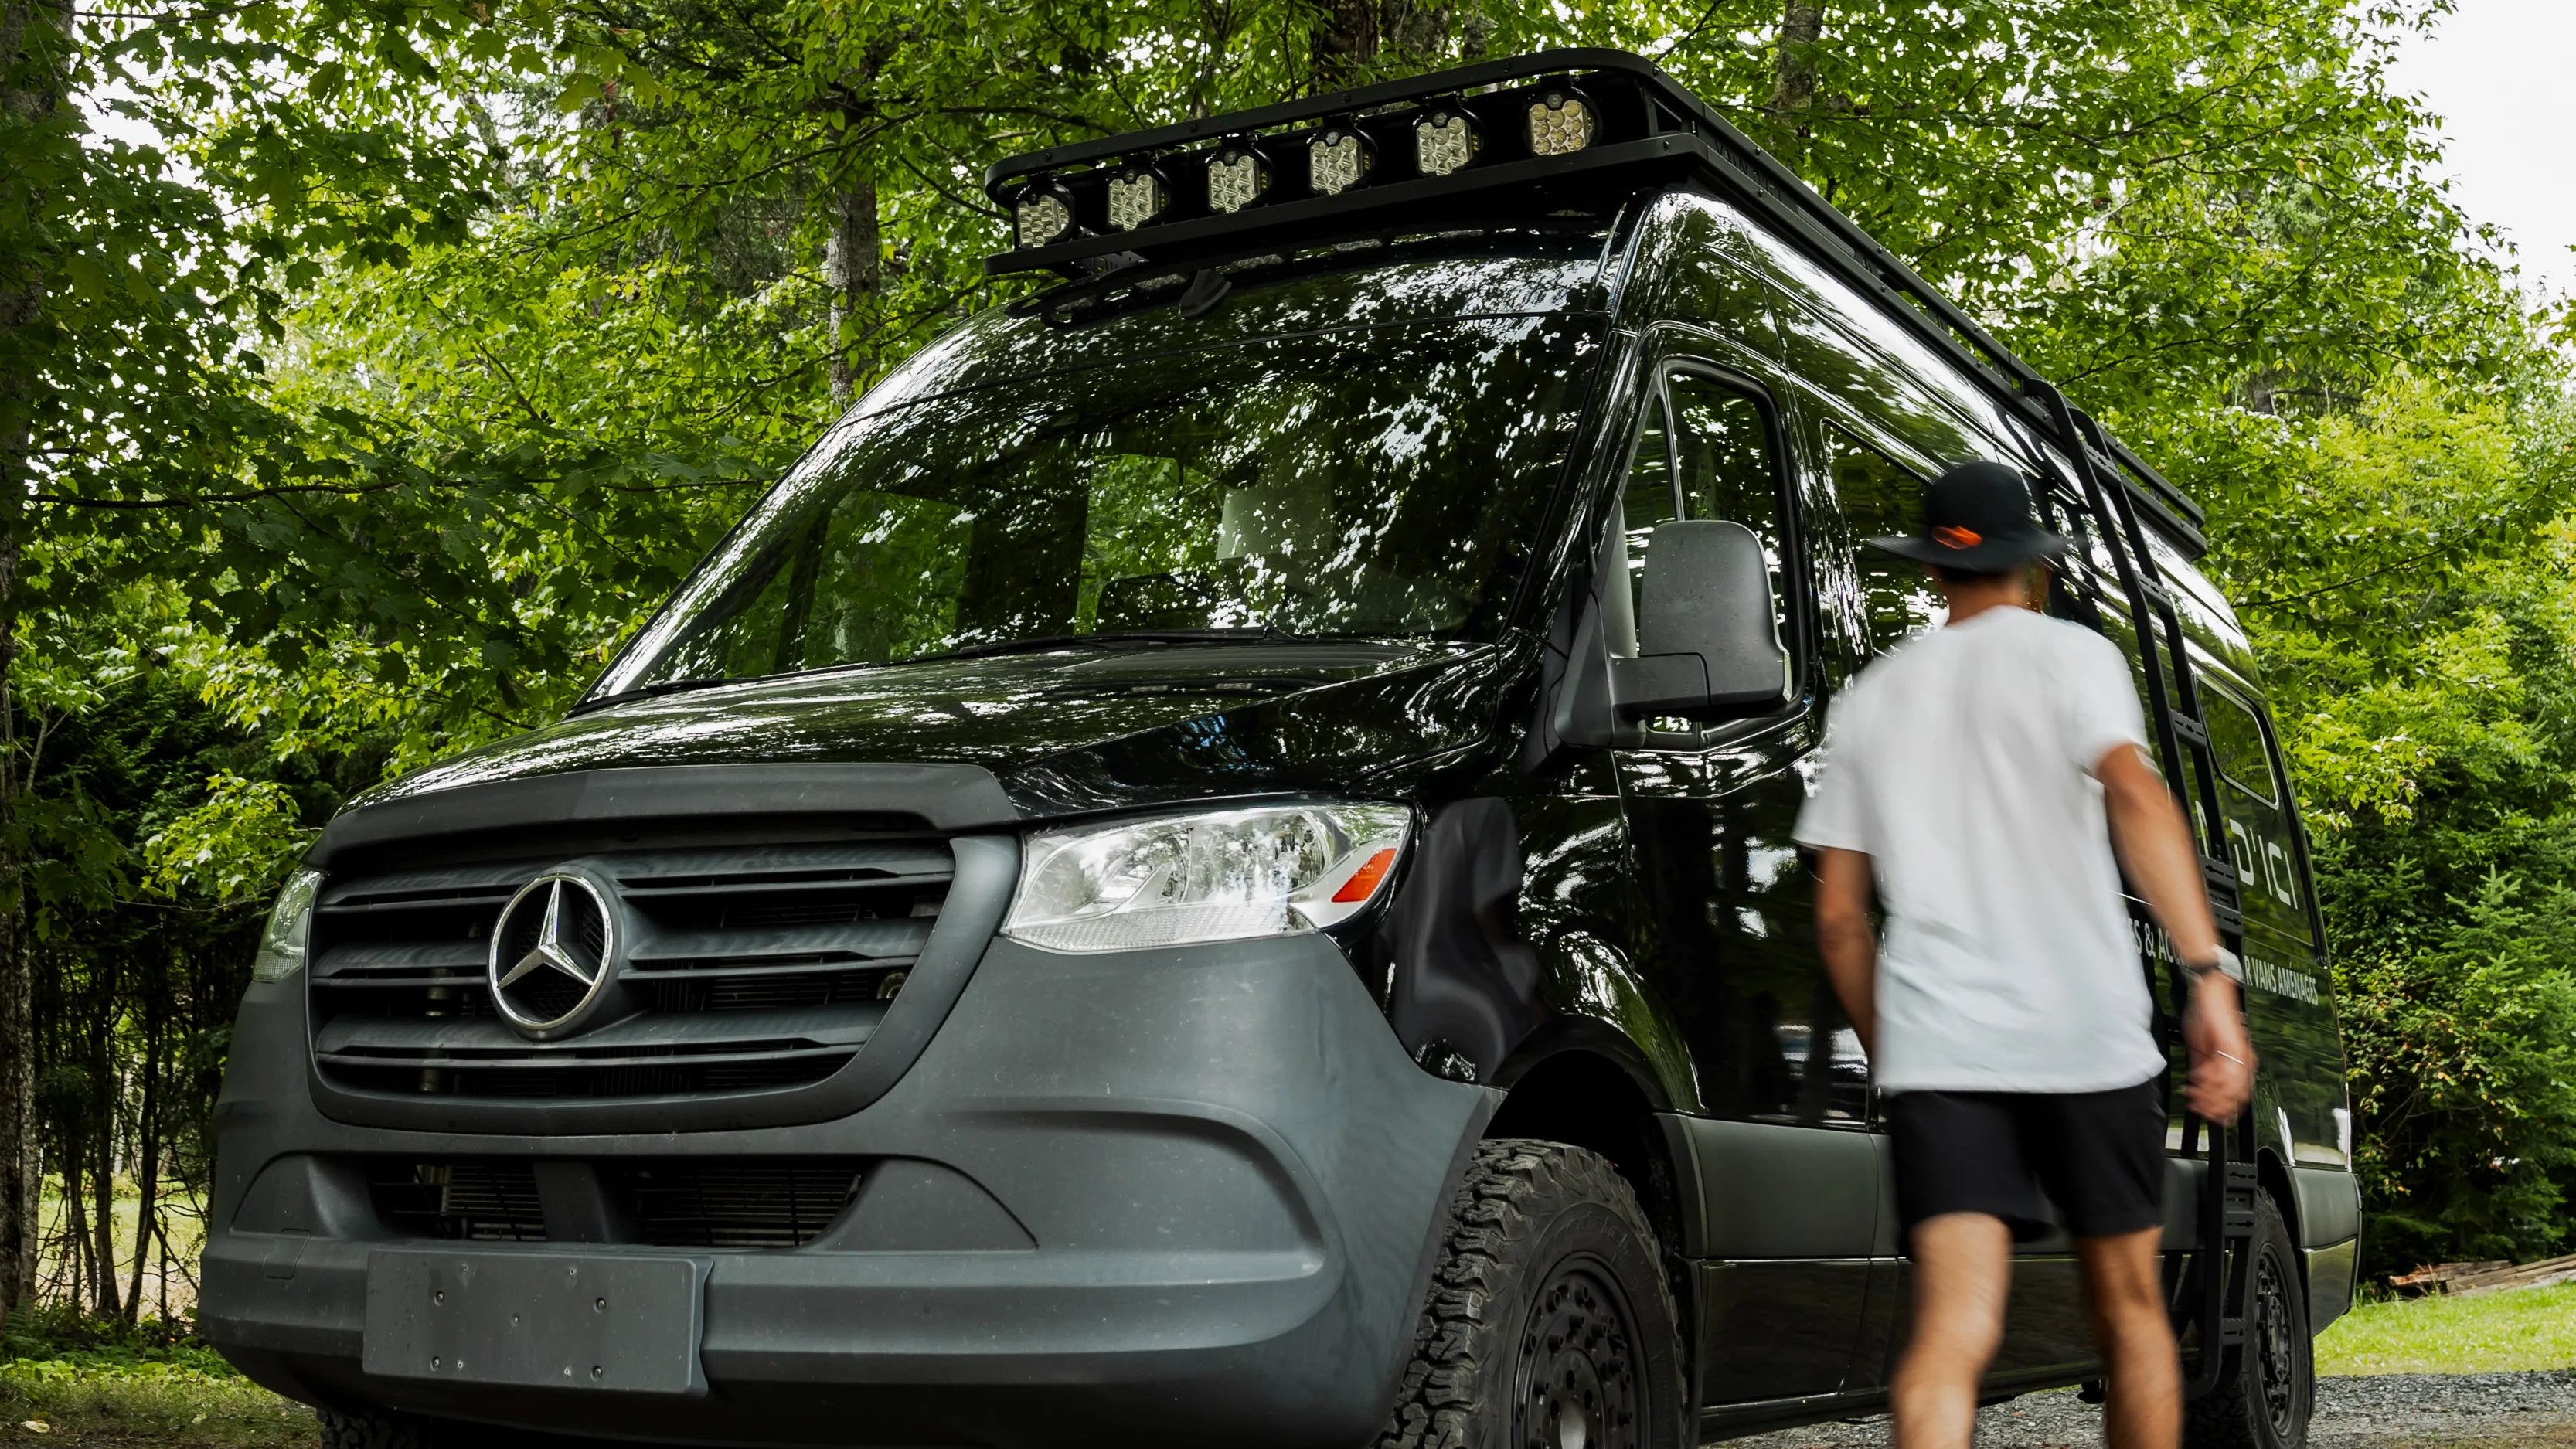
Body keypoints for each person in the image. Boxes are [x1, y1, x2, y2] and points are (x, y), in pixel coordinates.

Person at [1794, 460, 2257, 1449]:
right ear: (2034, 572)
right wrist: (2207, 976)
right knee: (2131, 1313)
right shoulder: (2074, 658)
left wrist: (1901, 1049)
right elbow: (2136, 796)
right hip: (2085, 1036)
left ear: (1935, 575)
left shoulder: (1870, 700)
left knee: (1954, 1329)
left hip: (1942, 1054)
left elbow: (1839, 917)